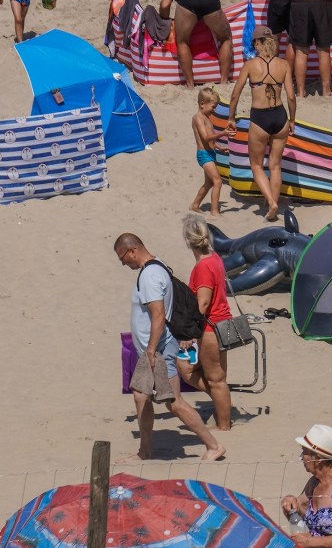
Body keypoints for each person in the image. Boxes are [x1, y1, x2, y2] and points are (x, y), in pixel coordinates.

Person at [112, 233, 225, 462]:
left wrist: (152, 351)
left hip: (158, 350)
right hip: (150, 351)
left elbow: (158, 315)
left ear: (132, 250)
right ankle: (145, 452)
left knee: (174, 403)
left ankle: (213, 446)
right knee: (140, 396)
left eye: (122, 258)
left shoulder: (150, 276)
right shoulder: (157, 265)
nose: (124, 264)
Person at [229, 25, 296, 221]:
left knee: (256, 165)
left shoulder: (250, 65)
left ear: (258, 43)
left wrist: (231, 118)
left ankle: (271, 202)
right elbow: (291, 97)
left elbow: (235, 95)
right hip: (280, 116)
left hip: (260, 118)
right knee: (275, 165)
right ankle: (271, 207)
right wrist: (292, 120)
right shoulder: (284, 65)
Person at [176, 214, 233, 431]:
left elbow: (203, 303)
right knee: (214, 377)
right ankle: (223, 407)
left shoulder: (202, 267)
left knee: (213, 378)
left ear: (188, 241)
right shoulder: (215, 257)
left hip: (212, 326)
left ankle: (224, 425)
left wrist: (190, 333)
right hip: (222, 322)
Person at [280, 425, 332, 548]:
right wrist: (289, 501)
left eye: (304, 452)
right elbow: (298, 510)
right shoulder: (314, 483)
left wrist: (310, 542)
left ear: (317, 458)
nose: (301, 457)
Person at [160, 0, 233, 88]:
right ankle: (224, 81)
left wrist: (164, 19)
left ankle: (190, 84)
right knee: (226, 39)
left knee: (182, 42)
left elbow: (164, 5)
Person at [189, 88, 228, 218]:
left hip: (210, 152)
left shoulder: (206, 117)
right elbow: (205, 137)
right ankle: (214, 211)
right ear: (202, 104)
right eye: (213, 106)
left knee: (209, 183)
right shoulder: (198, 118)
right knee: (218, 181)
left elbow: (209, 140)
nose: (214, 110)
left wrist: (219, 147)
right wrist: (223, 133)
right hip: (204, 155)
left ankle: (195, 205)